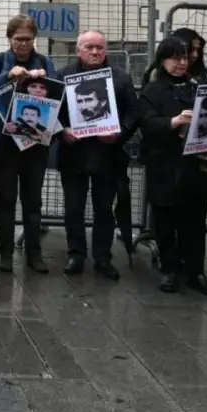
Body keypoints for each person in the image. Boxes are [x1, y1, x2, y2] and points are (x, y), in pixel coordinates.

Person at [138, 37, 207, 296]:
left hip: (197, 164)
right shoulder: (153, 90)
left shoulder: (200, 86)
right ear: (163, 59)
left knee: (194, 221)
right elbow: (146, 125)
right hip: (165, 164)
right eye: (175, 58)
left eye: (185, 58)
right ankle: (170, 269)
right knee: (165, 220)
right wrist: (174, 121)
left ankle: (196, 271)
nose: (181, 63)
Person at [0, 14, 57, 272]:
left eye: (28, 39)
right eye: (18, 39)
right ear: (9, 39)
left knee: (33, 201)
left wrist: (46, 82)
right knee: (5, 200)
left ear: (34, 39)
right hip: (3, 144)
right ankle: (6, 253)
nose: (23, 44)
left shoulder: (45, 61)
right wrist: (7, 77)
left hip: (34, 143)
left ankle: (34, 253)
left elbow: (59, 95)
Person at [56, 30, 139, 280]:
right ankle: (76, 255)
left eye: (100, 48)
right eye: (89, 47)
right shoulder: (62, 77)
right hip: (74, 153)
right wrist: (63, 131)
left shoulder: (121, 78)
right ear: (78, 49)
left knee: (104, 209)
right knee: (73, 208)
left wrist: (120, 133)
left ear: (106, 51)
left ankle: (103, 258)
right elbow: (52, 112)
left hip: (108, 155)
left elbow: (134, 114)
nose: (95, 52)